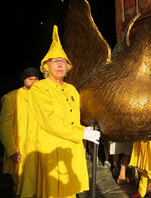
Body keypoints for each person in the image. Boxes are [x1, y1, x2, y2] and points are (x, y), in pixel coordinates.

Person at [18, 25, 101, 198]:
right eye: (55, 61)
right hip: (51, 151)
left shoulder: (72, 89)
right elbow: (50, 121)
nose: (59, 64)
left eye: (63, 61)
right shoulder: (39, 89)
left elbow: (78, 116)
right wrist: (82, 133)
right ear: (46, 66)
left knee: (71, 191)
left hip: (70, 151)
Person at [0, 67, 40, 195]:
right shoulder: (11, 97)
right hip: (20, 149)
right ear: (23, 80)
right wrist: (11, 149)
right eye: (30, 79)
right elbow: (4, 126)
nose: (33, 82)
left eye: (36, 79)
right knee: (21, 188)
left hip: (38, 148)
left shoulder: (41, 97)